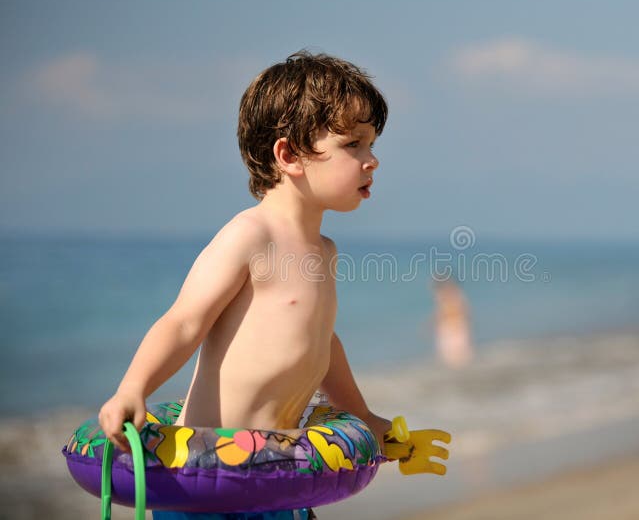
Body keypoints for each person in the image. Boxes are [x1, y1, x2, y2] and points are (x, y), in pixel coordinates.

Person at [98, 51, 392, 520]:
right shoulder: (249, 236)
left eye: (372, 144)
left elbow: (321, 346)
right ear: (290, 154)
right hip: (210, 482)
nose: (371, 160)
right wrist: (133, 388)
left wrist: (363, 415)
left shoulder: (324, 251)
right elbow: (184, 321)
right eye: (353, 144)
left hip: (279, 475)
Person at [432, 278, 473, 369]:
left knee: (458, 358)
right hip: (450, 329)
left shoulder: (454, 295)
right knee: (452, 359)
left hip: (454, 329)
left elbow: (463, 312)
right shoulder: (447, 296)